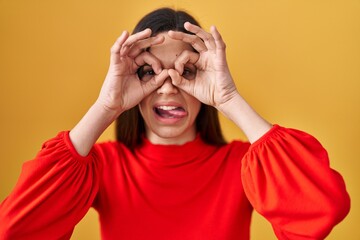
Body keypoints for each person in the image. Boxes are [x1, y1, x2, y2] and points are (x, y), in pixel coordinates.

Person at [0, 7, 350, 240]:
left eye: (187, 71)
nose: (168, 86)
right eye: (148, 72)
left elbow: (323, 209)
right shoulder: (107, 165)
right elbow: (16, 228)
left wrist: (230, 99)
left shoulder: (241, 165)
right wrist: (107, 105)